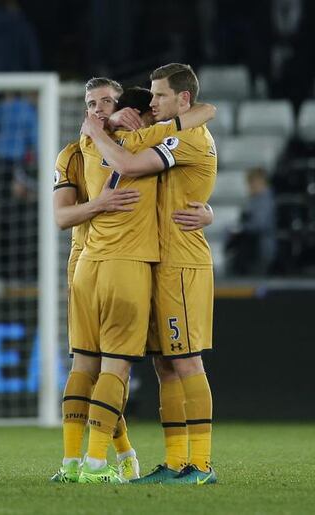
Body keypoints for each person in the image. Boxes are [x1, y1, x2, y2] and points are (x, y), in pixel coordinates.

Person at [50, 82, 216, 484]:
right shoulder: (141, 143)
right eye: (91, 104)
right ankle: (92, 465)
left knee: (92, 365)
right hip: (127, 267)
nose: (99, 109)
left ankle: (109, 459)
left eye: (107, 102)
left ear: (122, 105)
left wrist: (206, 211)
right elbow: (203, 112)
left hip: (89, 264)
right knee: (116, 368)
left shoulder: (82, 148)